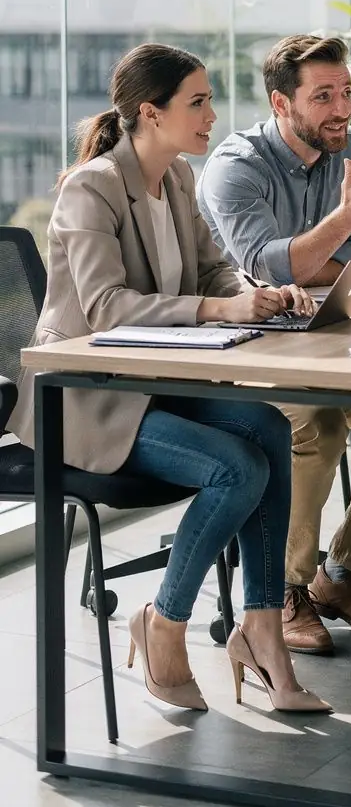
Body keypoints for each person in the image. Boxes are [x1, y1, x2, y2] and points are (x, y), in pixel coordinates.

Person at [9, 43, 330, 716]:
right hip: (87, 399)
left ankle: (261, 629)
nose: (212, 115)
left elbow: (213, 271)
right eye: (198, 102)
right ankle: (163, 620)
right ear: (151, 113)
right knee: (236, 468)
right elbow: (105, 307)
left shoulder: (179, 177)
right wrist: (217, 310)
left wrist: (257, 294)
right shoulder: (92, 188)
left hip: (155, 386)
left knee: (269, 428)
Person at [197, 33, 351, 655]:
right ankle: (283, 590)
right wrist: (342, 224)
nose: (343, 110)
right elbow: (266, 266)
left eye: (347, 93)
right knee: (317, 423)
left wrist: (310, 259)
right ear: (281, 104)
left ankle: (344, 574)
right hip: (239, 354)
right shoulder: (236, 166)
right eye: (324, 96)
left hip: (316, 343)